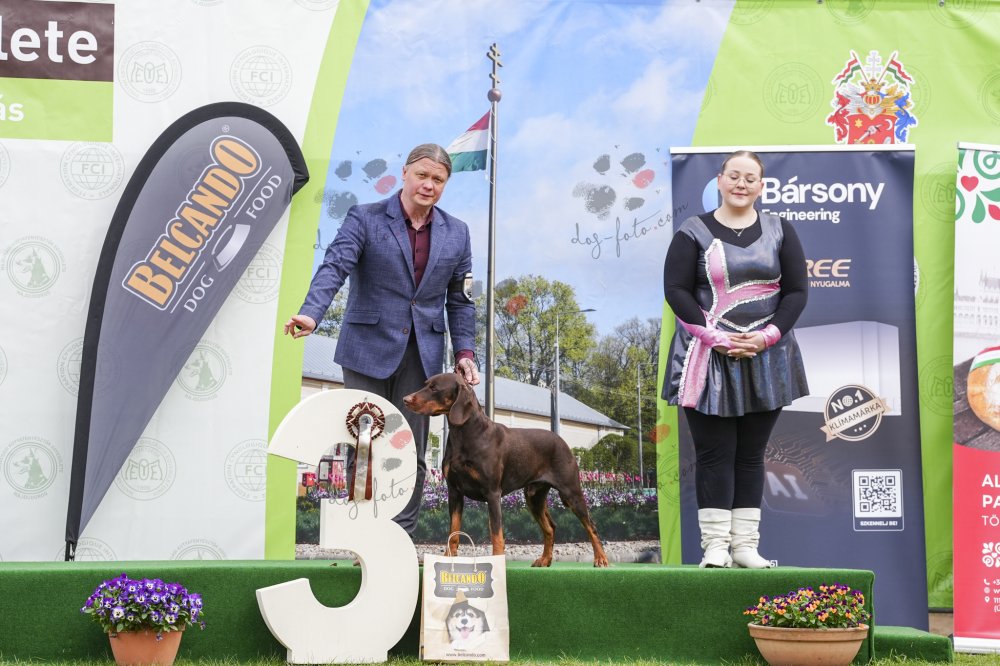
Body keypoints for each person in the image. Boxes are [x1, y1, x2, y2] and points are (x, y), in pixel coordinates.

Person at [285, 143, 480, 536]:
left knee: (409, 450)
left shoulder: (458, 233)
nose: (428, 185)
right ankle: (364, 538)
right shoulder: (365, 218)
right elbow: (334, 265)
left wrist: (465, 352)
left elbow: (461, 301)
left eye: (438, 179)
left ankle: (399, 540)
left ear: (445, 184)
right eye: (422, 175)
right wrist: (312, 313)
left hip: (423, 359)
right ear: (405, 173)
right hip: (365, 350)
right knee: (364, 446)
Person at [662, 150, 808, 568]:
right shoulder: (693, 231)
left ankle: (745, 547)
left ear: (761, 186)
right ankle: (715, 548)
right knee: (714, 454)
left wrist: (766, 337)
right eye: (734, 176)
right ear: (720, 179)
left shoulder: (780, 230)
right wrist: (715, 338)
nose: (741, 184)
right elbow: (676, 290)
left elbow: (797, 291)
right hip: (706, 357)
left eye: (750, 178)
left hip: (767, 357)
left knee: (751, 454)